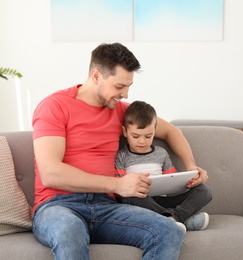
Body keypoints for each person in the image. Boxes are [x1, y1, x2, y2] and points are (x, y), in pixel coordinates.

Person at [31, 42, 209, 260]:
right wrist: (118, 184)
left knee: (169, 230)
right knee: (70, 229)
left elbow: (172, 131)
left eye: (128, 86)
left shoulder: (120, 111)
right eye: (119, 86)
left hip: (106, 207)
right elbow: (51, 173)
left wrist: (191, 166)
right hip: (57, 206)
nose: (125, 94)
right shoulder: (55, 106)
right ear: (96, 75)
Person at [115, 101, 212, 232]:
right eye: (136, 136)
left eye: (148, 136)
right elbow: (120, 188)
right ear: (125, 132)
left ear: (155, 131)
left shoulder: (161, 153)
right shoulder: (122, 156)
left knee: (204, 191)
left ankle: (171, 218)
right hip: (142, 202)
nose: (142, 141)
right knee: (129, 198)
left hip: (163, 200)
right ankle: (180, 219)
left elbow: (171, 180)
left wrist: (189, 180)